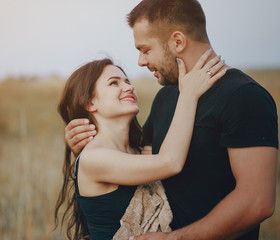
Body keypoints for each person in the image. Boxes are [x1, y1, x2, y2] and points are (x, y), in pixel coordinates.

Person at [64, 0, 278, 240]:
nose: (141, 62)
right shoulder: (165, 98)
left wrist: (174, 239)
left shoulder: (244, 96)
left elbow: (258, 202)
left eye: (145, 50)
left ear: (178, 42)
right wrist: (85, 143)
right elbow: (135, 168)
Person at [54, 51, 226, 240]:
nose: (129, 87)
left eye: (127, 81)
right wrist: (189, 94)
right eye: (114, 83)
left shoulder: (140, 151)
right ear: (89, 102)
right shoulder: (94, 158)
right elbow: (171, 162)